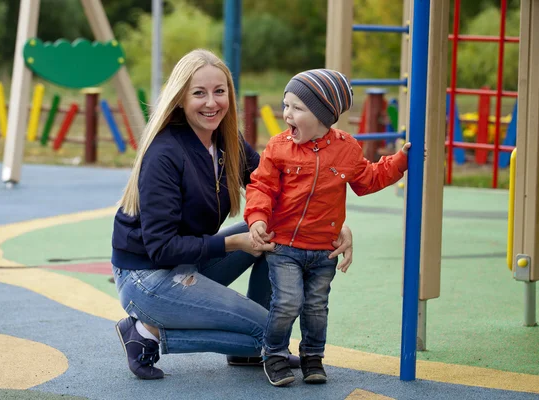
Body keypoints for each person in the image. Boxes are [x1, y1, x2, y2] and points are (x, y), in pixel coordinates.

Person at [111, 49, 354, 380]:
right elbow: (161, 248)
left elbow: (283, 191)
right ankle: (146, 332)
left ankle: (249, 353)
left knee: (277, 230)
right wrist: (234, 243)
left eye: (219, 91)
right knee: (269, 334)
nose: (212, 103)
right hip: (147, 276)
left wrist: (333, 226)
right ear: (181, 98)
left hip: (188, 260)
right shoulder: (164, 154)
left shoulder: (225, 141)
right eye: (199, 93)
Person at [244, 69, 410, 386]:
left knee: (316, 307)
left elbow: (369, 179)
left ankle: (312, 357)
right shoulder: (279, 147)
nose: (287, 114)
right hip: (285, 247)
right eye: (286, 104)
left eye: (297, 108)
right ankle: (275, 354)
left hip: (324, 250)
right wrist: (258, 218)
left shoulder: (347, 149)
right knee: (288, 302)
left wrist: (399, 161)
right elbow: (261, 187)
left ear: (323, 116)